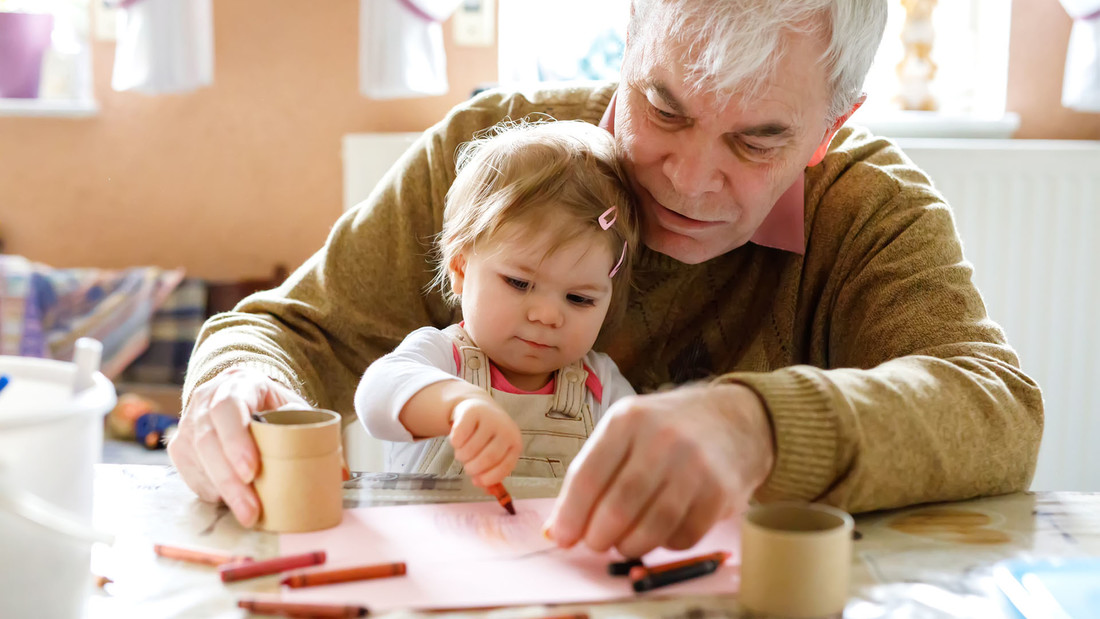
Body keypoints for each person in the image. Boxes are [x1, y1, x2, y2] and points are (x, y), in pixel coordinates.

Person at [169, 0, 1043, 560]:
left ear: (830, 127)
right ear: (629, 42)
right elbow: (293, 330)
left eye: (758, 140)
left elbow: (996, 409)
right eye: (664, 106)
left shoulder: (868, 207)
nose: (688, 179)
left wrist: (758, 424)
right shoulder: (499, 151)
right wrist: (238, 383)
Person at [354, 120, 639, 487]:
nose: (547, 315)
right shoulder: (443, 358)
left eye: (579, 298)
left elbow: (647, 457)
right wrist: (456, 404)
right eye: (519, 283)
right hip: (438, 543)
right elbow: (375, 397)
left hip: (552, 544)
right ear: (460, 267)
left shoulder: (599, 386)